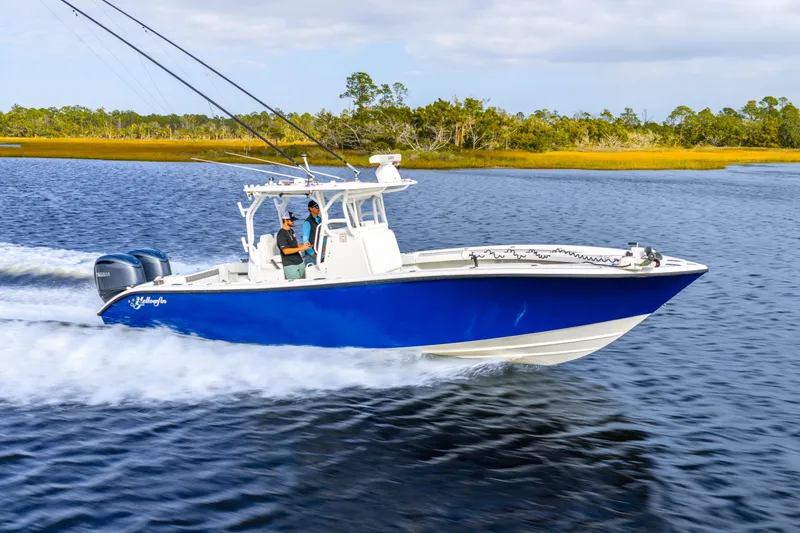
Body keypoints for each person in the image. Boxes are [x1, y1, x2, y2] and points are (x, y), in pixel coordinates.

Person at [276, 211, 310, 280]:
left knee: (304, 283)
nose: (293, 221)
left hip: (299, 261)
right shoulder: (281, 234)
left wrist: (304, 245)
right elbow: (285, 251)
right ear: (285, 220)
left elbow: (295, 245)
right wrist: (302, 248)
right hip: (290, 264)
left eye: (293, 220)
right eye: (291, 220)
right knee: (297, 286)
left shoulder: (292, 231)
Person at [302, 200, 321, 265]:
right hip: (312, 255)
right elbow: (305, 241)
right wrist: (312, 253)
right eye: (316, 206)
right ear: (310, 208)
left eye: (319, 206)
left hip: (321, 252)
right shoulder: (307, 222)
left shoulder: (320, 220)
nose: (319, 208)